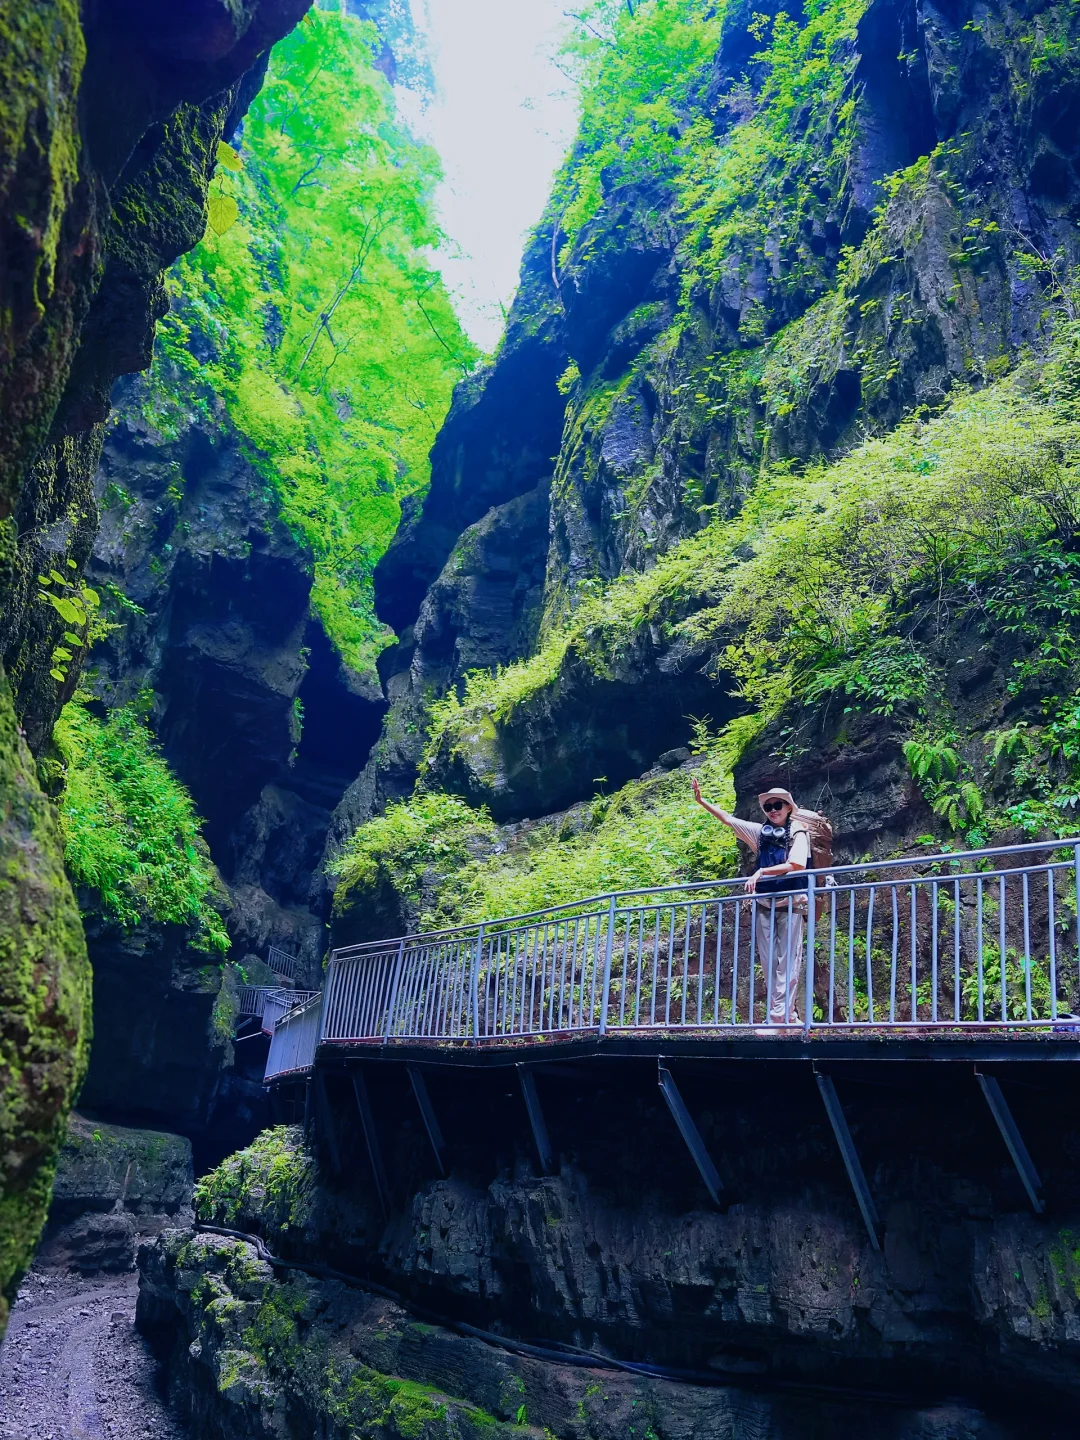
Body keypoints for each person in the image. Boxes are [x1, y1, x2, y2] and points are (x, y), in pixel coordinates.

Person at [691, 779, 809, 1026]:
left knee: (788, 961)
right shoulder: (760, 833)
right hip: (764, 903)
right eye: (768, 807)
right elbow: (728, 819)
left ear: (789, 807)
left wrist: (761, 872)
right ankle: (785, 1015)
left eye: (778, 805)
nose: (773, 810)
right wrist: (702, 801)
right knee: (769, 963)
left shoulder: (798, 832)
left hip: (791, 902)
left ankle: (779, 1018)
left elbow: (797, 864)